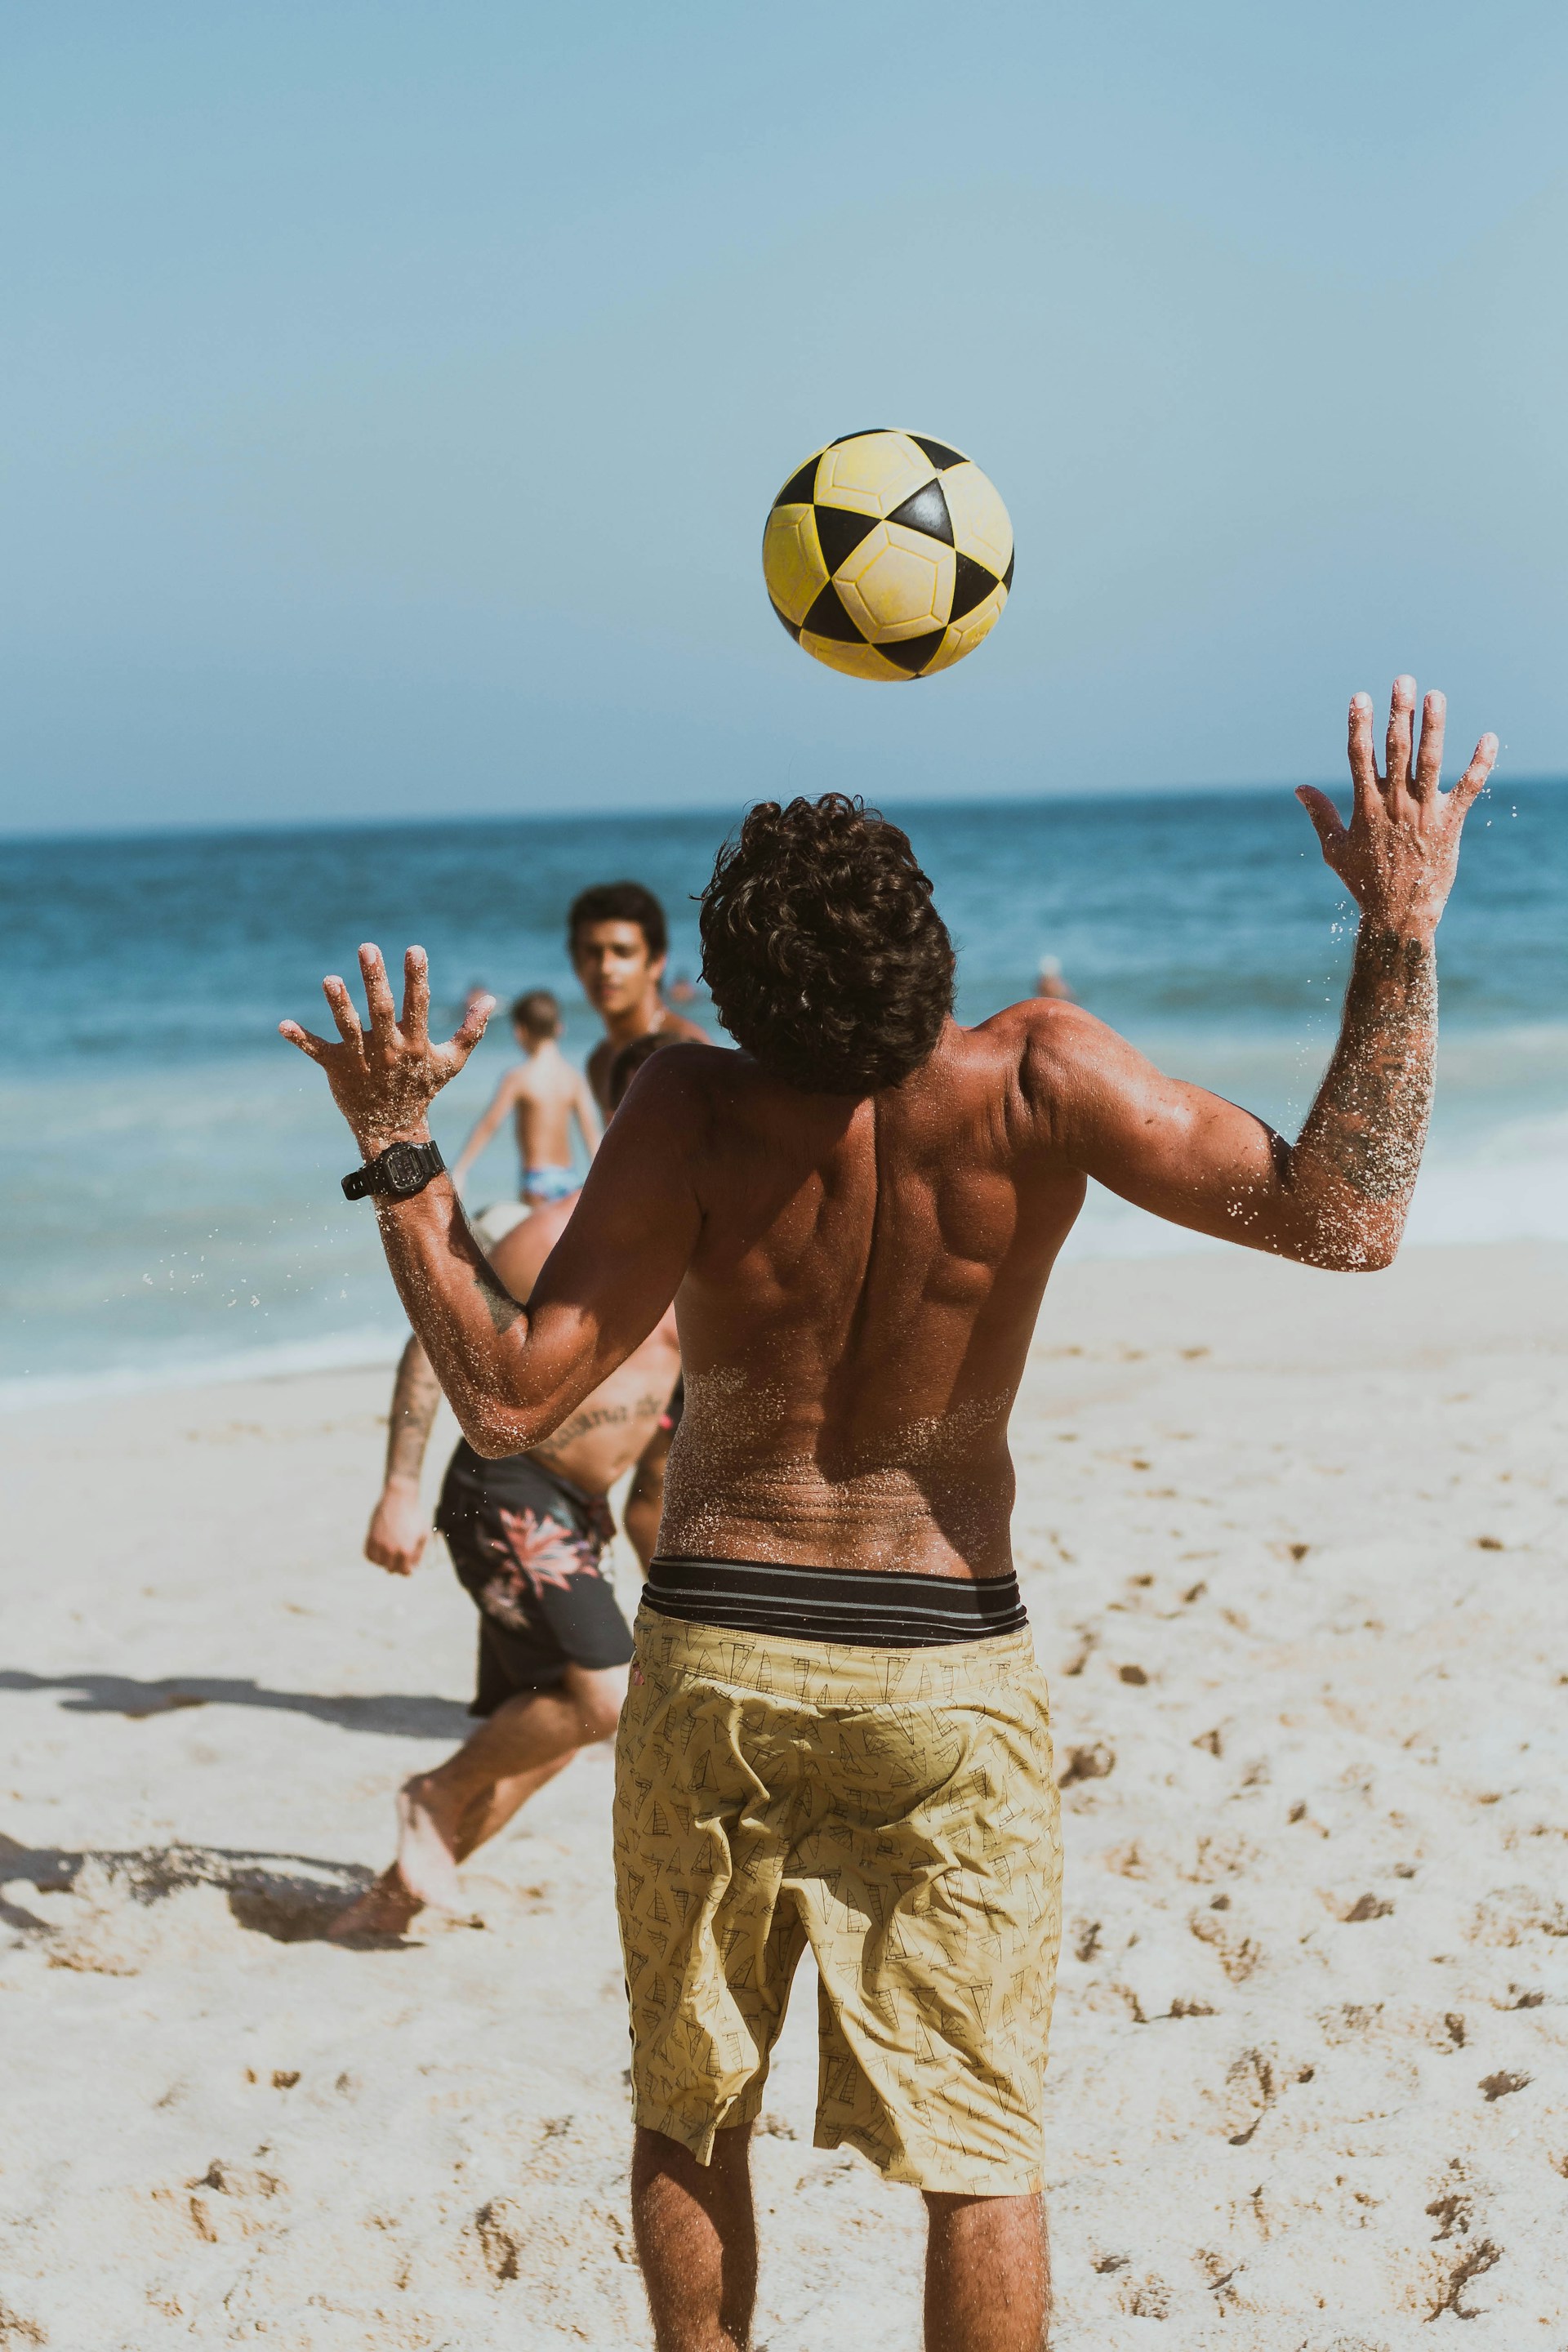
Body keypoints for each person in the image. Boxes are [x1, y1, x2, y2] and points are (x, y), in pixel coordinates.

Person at [283, 679, 1495, 2352]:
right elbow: (1350, 1217)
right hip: (947, 1672)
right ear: (924, 942)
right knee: (981, 2153)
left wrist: (402, 1150)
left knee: (695, 2112)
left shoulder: (687, 1107)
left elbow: (506, 1399)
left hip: (719, 1657)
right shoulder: (1038, 1078)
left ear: (736, 994)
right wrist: (1401, 929)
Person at [330, 1036, 680, 1941]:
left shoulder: (713, 1258)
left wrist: (673, 1589)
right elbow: (437, 1342)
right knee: (602, 1698)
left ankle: (385, 1904)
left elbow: (657, 1464)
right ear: (621, 1117)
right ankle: (430, 1795)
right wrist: (398, 1489)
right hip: (504, 1487)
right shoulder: (556, 1236)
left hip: (581, 1515)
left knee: (556, 1728)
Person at [448, 987, 601, 1206]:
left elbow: (489, 1125)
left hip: (537, 1183)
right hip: (570, 1180)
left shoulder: (518, 1078)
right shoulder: (574, 1079)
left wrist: (461, 1169)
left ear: (520, 1031)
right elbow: (592, 1136)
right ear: (559, 1028)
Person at [568, 880, 707, 1116]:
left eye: (623, 952)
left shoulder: (682, 1052)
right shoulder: (600, 1061)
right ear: (576, 963)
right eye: (592, 952)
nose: (605, 968)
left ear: (656, 963)